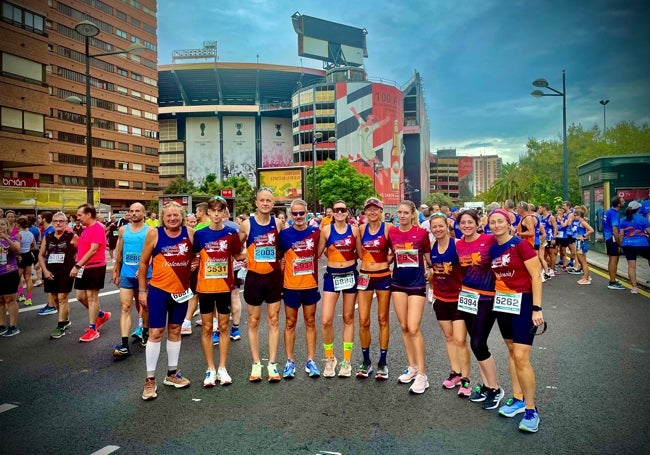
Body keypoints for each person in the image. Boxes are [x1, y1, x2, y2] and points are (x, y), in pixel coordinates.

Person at [487, 209, 545, 433]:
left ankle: (531, 410)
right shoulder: (493, 247)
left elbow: (536, 276)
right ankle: (518, 399)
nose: (497, 225)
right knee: (511, 351)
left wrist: (537, 308)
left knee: (521, 356)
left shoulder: (521, 245)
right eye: (492, 222)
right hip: (503, 303)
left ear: (509, 223)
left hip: (523, 303)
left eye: (500, 221)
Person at [138, 201, 195, 400]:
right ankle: (150, 379)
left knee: (175, 330)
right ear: (163, 217)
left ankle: (172, 374)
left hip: (181, 292)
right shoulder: (155, 233)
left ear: (182, 216)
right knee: (155, 332)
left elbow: (195, 254)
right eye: (168, 216)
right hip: (158, 291)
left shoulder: (190, 232)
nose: (172, 218)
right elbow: (144, 262)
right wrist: (142, 290)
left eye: (176, 215)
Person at [455, 209, 503, 409]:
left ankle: (495, 388)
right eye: (463, 223)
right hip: (466, 298)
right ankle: (485, 384)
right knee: (476, 344)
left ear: (477, 223)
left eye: (470, 222)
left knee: (478, 343)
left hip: (487, 298)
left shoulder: (490, 241)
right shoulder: (458, 245)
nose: (466, 226)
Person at [193, 196, 244, 387]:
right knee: (207, 328)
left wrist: (258, 253)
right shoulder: (200, 235)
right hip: (205, 288)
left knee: (223, 327)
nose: (216, 214)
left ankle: (222, 368)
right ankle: (210, 368)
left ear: (224, 213)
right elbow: (193, 257)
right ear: (208, 213)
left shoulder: (232, 234)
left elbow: (238, 255)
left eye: (219, 210)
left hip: (224, 287)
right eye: (212, 210)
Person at [239, 187, 285, 382]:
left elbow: (283, 248)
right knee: (253, 321)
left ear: (273, 204)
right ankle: (256, 363)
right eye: (262, 200)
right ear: (256, 203)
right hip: (254, 278)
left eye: (269, 200)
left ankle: (272, 363)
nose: (265, 203)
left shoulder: (279, 223)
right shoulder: (247, 225)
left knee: (273, 320)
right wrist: (243, 258)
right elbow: (236, 247)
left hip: (273, 277)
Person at [388, 200, 431, 394]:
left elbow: (429, 258)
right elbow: (390, 255)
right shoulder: (392, 233)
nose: (402, 215)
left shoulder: (421, 233)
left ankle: (422, 374)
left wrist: (434, 272)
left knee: (414, 327)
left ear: (413, 214)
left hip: (417, 284)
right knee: (404, 326)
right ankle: (412, 366)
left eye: (406, 212)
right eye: (399, 212)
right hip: (397, 283)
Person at [428, 211, 472, 397]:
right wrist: (431, 289)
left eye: (440, 226)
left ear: (447, 226)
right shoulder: (432, 247)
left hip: (459, 298)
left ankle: (466, 380)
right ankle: (455, 372)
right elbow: (433, 271)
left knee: (460, 339)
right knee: (448, 337)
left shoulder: (458, 245)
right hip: (441, 298)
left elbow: (470, 267)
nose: (438, 229)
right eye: (434, 227)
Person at [278, 199, 322, 378]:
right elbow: (277, 257)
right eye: (294, 214)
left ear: (307, 213)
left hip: (310, 285)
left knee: (310, 322)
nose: (298, 217)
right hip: (291, 286)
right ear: (290, 215)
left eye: (301, 213)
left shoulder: (315, 232)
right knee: (290, 323)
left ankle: (311, 360)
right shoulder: (284, 235)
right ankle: (289, 361)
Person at [317, 200, 360, 378]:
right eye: (337, 210)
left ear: (347, 213)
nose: (340, 213)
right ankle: (330, 358)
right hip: (332, 276)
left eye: (343, 210)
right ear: (332, 213)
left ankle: (347, 360)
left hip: (350, 275)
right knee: (326, 320)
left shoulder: (354, 230)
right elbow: (318, 252)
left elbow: (361, 254)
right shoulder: (326, 230)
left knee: (348, 318)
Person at [356, 197, 393, 380]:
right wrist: (369, 262)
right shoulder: (361, 229)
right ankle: (366, 361)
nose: (372, 212)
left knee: (382, 319)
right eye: (369, 209)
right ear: (365, 212)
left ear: (381, 211)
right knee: (363, 320)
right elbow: (359, 252)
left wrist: (386, 260)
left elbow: (396, 249)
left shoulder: (388, 228)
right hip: (365, 276)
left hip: (383, 276)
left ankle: (383, 362)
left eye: (375, 209)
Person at [111, 203, 151, 359]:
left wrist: (143, 269)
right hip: (126, 274)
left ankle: (146, 331)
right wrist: (116, 269)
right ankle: (124, 344)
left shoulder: (150, 231)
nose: (134, 213)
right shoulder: (123, 230)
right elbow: (119, 251)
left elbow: (153, 253)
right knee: (125, 306)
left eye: (137, 211)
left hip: (145, 274)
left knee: (144, 305)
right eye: (131, 211)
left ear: (144, 213)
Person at [71, 204, 111, 342]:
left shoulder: (98, 228)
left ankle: (92, 329)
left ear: (89, 214)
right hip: (84, 267)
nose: (78, 218)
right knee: (80, 296)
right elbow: (83, 247)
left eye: (80, 215)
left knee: (92, 297)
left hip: (95, 266)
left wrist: (77, 265)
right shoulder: (86, 229)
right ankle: (101, 315)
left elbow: (93, 249)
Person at [38, 212, 78, 339]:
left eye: (61, 221)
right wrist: (44, 271)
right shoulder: (48, 236)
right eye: (56, 221)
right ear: (52, 223)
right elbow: (41, 254)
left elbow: (79, 252)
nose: (58, 223)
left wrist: (76, 267)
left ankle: (60, 326)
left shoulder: (72, 236)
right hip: (50, 271)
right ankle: (65, 320)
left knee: (62, 298)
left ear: (66, 223)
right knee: (55, 299)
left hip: (66, 271)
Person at [618, 200, 650, 295]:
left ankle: (634, 288)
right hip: (642, 244)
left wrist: (620, 245)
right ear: (638, 209)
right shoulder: (642, 219)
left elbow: (621, 235)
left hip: (627, 244)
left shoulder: (623, 220)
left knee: (631, 266)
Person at [0, 217, 22, 337]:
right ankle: (1, 325)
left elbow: (17, 249)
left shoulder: (13, 238)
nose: (0, 227)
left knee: (10, 300)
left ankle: (13, 326)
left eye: (3, 224)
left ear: (8, 227)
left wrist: (6, 238)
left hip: (9, 273)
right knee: (0, 301)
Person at [603, 196, 626, 289]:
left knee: (611, 259)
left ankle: (612, 279)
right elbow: (615, 229)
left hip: (608, 237)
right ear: (619, 204)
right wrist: (619, 242)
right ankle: (612, 282)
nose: (624, 201)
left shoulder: (608, 211)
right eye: (622, 200)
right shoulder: (615, 214)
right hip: (613, 238)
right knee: (614, 260)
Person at [15, 216, 36, 306]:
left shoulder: (18, 235)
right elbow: (34, 246)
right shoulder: (30, 234)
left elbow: (17, 248)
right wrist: (27, 248)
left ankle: (20, 294)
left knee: (17, 278)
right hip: (28, 255)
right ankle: (29, 298)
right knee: (28, 278)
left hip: (20, 256)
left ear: (18, 224)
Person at [573, 207, 595, 285]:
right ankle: (586, 276)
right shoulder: (580, 222)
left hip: (581, 243)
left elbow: (591, 230)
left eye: (575, 215)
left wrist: (584, 235)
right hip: (578, 242)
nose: (574, 217)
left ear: (579, 215)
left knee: (583, 262)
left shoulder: (582, 222)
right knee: (581, 261)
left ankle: (586, 278)